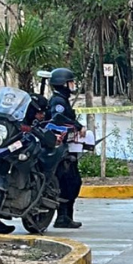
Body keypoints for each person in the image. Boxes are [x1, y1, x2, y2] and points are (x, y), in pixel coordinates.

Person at [48, 67, 83, 229]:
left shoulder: (62, 99)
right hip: (59, 148)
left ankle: (66, 216)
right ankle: (62, 217)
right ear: (63, 84)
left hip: (65, 147)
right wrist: (77, 125)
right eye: (70, 82)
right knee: (69, 181)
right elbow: (58, 118)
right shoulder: (58, 101)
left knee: (73, 181)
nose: (73, 85)